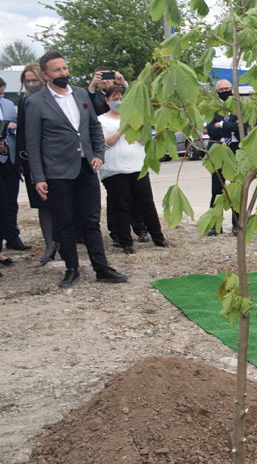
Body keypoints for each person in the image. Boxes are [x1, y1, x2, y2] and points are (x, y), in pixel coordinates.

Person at [23, 51, 127, 288]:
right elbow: (33, 143)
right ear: (46, 75)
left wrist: (98, 154)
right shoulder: (35, 103)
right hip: (57, 171)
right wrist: (38, 177)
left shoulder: (80, 94)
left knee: (91, 220)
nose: (63, 73)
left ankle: (101, 268)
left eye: (65, 68)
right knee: (65, 222)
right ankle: (72, 269)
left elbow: (93, 127)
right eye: (57, 70)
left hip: (86, 167)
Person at [97, 85, 173, 253]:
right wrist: (121, 130)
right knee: (121, 206)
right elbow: (104, 142)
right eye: (114, 98)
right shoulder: (100, 120)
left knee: (147, 203)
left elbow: (145, 139)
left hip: (137, 167)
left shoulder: (136, 117)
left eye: (121, 98)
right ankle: (126, 243)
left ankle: (158, 237)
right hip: (114, 170)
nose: (118, 101)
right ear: (107, 100)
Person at [14, 65, 56, 262]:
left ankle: (65, 240)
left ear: (44, 79)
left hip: (56, 158)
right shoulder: (25, 102)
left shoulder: (56, 99)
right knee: (43, 203)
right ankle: (50, 244)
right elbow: (22, 133)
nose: (31, 84)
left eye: (34, 80)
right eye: (27, 81)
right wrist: (21, 162)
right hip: (33, 160)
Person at [206, 79, 241, 236]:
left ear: (232, 89)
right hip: (217, 151)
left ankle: (237, 224)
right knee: (217, 189)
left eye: (227, 88)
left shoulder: (239, 107)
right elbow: (211, 131)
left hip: (235, 151)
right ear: (216, 92)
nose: (225, 91)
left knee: (236, 189)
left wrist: (221, 125)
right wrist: (231, 127)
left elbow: (242, 128)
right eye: (221, 90)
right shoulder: (213, 108)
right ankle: (215, 224)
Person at [0, 77, 27, 253]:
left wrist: (13, 126)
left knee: (11, 200)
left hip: (9, 158)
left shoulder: (9, 105)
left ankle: (12, 237)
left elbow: (18, 124)